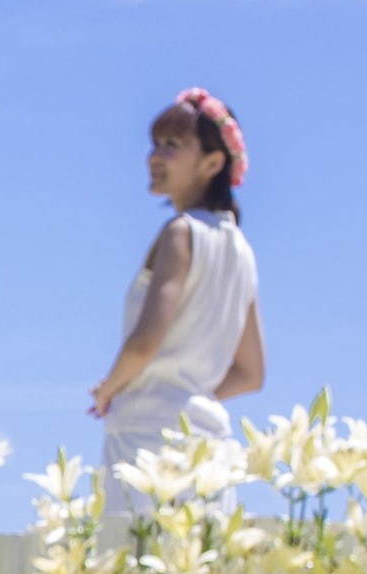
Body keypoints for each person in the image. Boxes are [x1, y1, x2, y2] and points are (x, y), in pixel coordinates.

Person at [88, 87, 266, 514]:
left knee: (133, 565)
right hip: (211, 447)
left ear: (212, 162)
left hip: (147, 438)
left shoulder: (180, 233)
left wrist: (110, 390)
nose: (155, 156)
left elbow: (145, 341)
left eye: (172, 146)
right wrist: (192, 397)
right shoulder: (241, 248)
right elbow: (250, 373)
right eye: (155, 144)